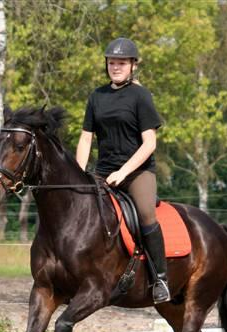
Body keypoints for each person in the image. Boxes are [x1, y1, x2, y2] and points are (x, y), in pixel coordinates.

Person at [75, 37, 170, 304]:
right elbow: (85, 138)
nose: (115, 67)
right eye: (112, 62)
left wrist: (124, 172)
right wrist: (78, 174)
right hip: (102, 171)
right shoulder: (97, 96)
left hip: (137, 171)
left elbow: (149, 143)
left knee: (145, 213)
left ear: (132, 65)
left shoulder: (141, 96)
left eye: (121, 63)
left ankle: (160, 278)